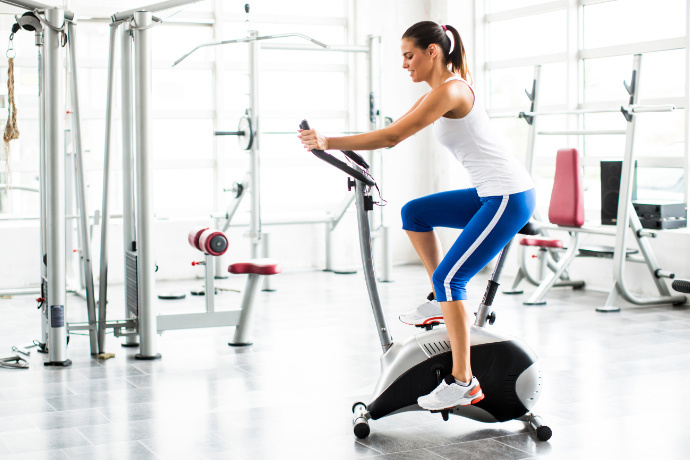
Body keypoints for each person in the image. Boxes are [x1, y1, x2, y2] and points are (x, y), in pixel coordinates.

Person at [298, 21, 535, 412]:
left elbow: (393, 139)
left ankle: (464, 381)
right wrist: (334, 144)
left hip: (508, 196)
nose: (405, 64)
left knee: (450, 277)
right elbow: (392, 128)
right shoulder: (439, 91)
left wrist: (329, 142)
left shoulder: (453, 90)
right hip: (487, 193)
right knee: (415, 213)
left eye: (409, 55)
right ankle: (437, 300)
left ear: (432, 52)